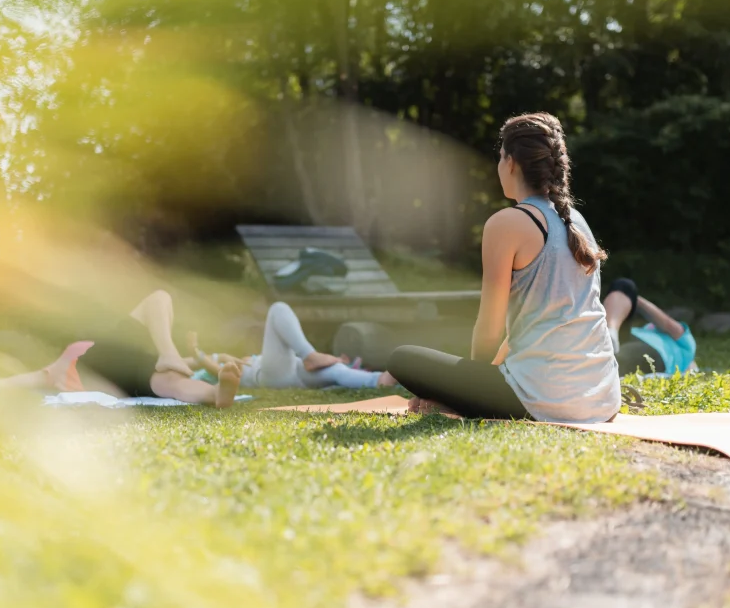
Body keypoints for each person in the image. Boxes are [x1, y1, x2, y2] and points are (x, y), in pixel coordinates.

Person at [387, 112, 620, 422]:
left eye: (499, 157)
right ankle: (459, 400)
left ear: (511, 163)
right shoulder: (577, 222)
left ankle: (455, 404)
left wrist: (466, 392)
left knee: (402, 358)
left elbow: (489, 328)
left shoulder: (506, 223)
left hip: (544, 399)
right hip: (602, 398)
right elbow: (530, 325)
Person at [70, 290, 242, 408]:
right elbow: (47, 374)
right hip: (103, 357)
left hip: (121, 370)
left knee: (172, 381)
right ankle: (173, 358)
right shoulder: (80, 354)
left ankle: (214, 393)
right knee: (159, 297)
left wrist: (200, 359)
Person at [186, 302, 398, 390]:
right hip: (269, 376)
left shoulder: (230, 357)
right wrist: (196, 354)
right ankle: (310, 355)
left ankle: (378, 380)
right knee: (278, 309)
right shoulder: (218, 372)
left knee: (336, 371)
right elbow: (212, 367)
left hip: (294, 371)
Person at [603, 278, 697, 376]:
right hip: (622, 338)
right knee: (624, 285)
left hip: (658, 352)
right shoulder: (645, 330)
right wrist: (629, 295)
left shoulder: (689, 350)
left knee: (614, 360)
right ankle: (610, 332)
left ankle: (609, 333)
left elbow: (669, 325)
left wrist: (633, 298)